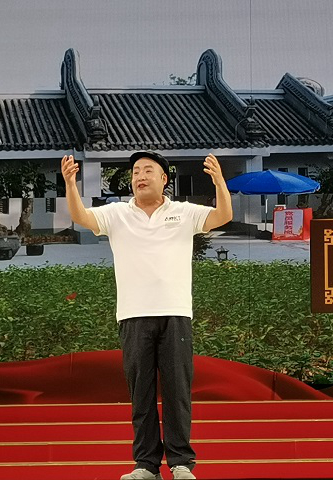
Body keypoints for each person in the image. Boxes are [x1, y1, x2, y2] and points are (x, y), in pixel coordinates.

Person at [61, 151, 233, 480]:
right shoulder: (116, 214)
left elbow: (223, 215)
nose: (140, 176)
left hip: (176, 312)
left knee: (177, 391)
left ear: (163, 179)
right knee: (141, 393)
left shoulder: (183, 212)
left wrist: (219, 181)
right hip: (133, 314)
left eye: (147, 170)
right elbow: (81, 216)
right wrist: (70, 183)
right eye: (136, 171)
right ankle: (145, 465)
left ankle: (181, 462)